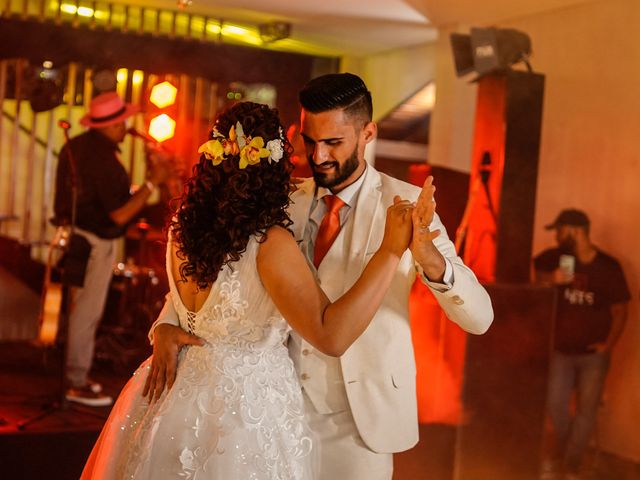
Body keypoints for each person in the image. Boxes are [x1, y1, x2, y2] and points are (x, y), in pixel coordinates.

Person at [147, 73, 494, 479]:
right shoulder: (277, 201)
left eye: (333, 143)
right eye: (310, 141)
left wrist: (430, 258)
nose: (319, 156)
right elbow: (218, 281)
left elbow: (481, 317)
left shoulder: (406, 203)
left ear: (368, 133)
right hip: (270, 412)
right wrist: (165, 327)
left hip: (359, 422)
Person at [80, 101, 417, 478]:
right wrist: (390, 251)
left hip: (175, 399)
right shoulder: (269, 243)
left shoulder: (182, 228)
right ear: (273, 168)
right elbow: (330, 335)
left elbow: (185, 304)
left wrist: (163, 327)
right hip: (242, 414)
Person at [53, 91, 170, 407]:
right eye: (121, 122)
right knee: (86, 314)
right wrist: (151, 183)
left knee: (76, 311)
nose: (125, 126)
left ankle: (68, 377)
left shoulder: (76, 147)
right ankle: (75, 382)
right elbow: (117, 214)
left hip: (77, 238)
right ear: (111, 124)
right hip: (94, 242)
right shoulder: (103, 159)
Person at [534, 209, 630, 479]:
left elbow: (622, 309)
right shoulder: (558, 258)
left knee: (587, 411)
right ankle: (563, 456)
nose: (556, 237)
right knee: (556, 406)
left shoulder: (608, 267)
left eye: (560, 231)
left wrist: (608, 345)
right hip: (561, 350)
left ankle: (571, 465)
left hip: (593, 354)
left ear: (575, 231)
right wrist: (550, 280)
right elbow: (535, 273)